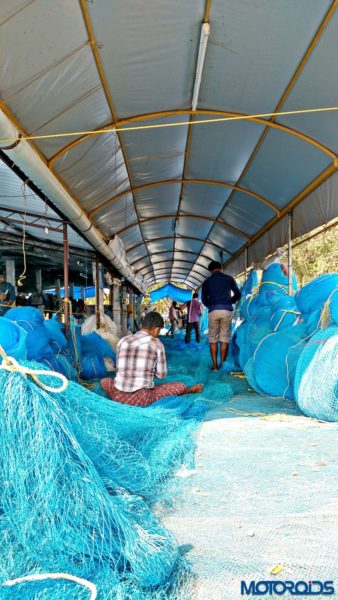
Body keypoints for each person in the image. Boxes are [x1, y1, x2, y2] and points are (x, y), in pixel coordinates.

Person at [101, 311, 203, 406]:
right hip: (141, 399)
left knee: (105, 381)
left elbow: (119, 368)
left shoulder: (123, 340)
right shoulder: (157, 344)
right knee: (180, 386)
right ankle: (188, 391)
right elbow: (161, 375)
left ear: (142, 325)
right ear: (156, 329)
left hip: (118, 396)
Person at [202, 260, 241, 371]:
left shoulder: (207, 282)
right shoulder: (229, 279)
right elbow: (238, 294)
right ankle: (222, 365)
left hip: (213, 310)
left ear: (210, 270)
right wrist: (230, 301)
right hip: (227, 310)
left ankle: (214, 367)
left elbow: (204, 299)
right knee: (224, 339)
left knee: (213, 339)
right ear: (220, 268)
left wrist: (211, 305)